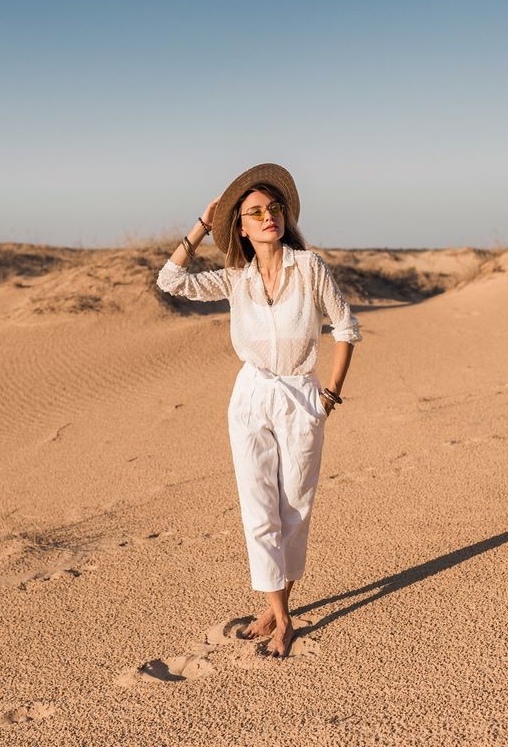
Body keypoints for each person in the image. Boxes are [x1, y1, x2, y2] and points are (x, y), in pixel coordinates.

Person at [155, 163, 361, 657]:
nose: (269, 216)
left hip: (301, 396)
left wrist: (329, 396)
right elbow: (170, 280)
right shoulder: (235, 279)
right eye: (255, 212)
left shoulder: (309, 268)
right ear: (241, 229)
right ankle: (281, 616)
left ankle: (275, 604)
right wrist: (202, 225)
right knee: (258, 509)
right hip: (250, 396)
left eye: (274, 208)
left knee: (295, 509)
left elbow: (346, 328)